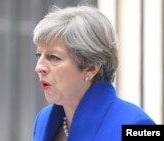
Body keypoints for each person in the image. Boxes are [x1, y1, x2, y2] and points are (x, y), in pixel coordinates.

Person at [32, 5, 155, 141]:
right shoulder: (43, 119)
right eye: (39, 55)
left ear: (91, 68)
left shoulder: (137, 125)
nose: (39, 67)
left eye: (54, 57)